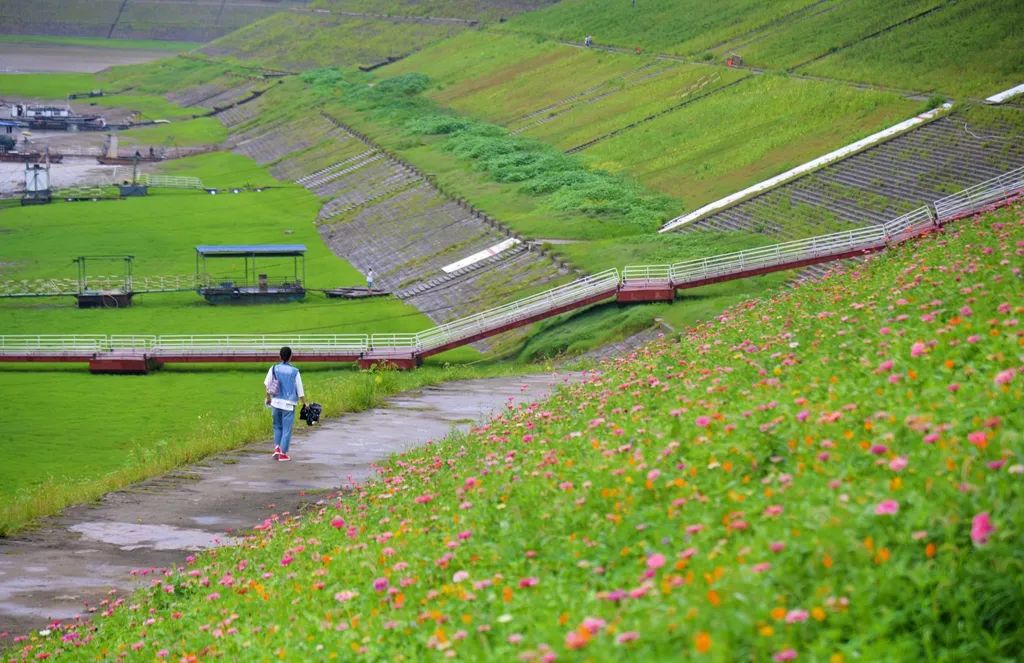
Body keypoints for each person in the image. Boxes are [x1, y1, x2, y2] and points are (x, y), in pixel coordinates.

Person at [264, 346, 306, 462]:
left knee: (277, 426)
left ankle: (277, 448)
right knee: (286, 429)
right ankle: (283, 453)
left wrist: (268, 398)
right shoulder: (295, 371)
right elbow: (300, 389)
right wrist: (304, 403)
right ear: (290, 356)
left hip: (275, 402)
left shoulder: (274, 368)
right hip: (288, 403)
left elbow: (267, 384)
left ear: (280, 356)